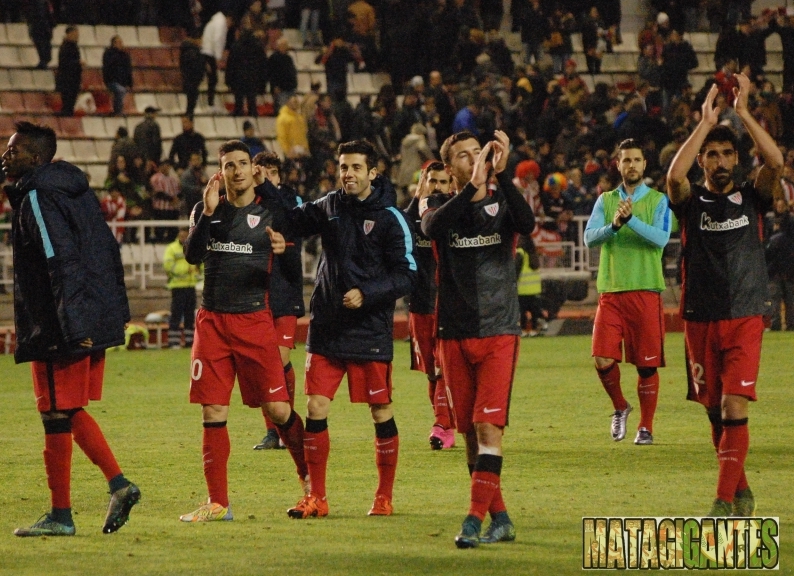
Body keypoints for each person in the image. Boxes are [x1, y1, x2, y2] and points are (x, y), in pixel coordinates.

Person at [255, 140, 416, 519]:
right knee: (315, 406)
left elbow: (407, 274)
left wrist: (368, 293)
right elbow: (292, 217)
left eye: (356, 167)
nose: (348, 173)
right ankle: (318, 497)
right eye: (343, 166)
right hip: (327, 327)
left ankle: (384, 497)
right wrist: (263, 187)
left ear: (372, 173)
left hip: (369, 331)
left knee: (380, 411)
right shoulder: (330, 206)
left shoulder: (391, 217)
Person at [2, 121, 140, 537]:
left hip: (59, 321)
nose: (6, 157)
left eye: (14, 151)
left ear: (37, 158)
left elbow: (58, 259)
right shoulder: (73, 190)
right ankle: (109, 489)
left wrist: (71, 323)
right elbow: (106, 250)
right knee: (62, 410)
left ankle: (68, 511)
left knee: (57, 410)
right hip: (82, 314)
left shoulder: (38, 196)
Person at [666, 74, 784, 516]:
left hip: (746, 313)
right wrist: (706, 121)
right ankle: (742, 490)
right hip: (699, 316)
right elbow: (672, 175)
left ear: (736, 158)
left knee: (735, 402)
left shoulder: (753, 195)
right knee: (715, 411)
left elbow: (776, 163)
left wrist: (745, 113)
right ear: (702, 161)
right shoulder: (689, 199)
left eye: (725, 152)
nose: (718, 160)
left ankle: (720, 499)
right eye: (710, 154)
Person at [180, 140, 309, 522]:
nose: (236, 171)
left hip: (255, 320)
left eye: (242, 163)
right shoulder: (207, 210)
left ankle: (310, 484)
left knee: (278, 408)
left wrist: (285, 251)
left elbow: (291, 267)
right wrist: (206, 212)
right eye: (228, 165)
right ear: (220, 171)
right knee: (213, 409)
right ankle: (218, 503)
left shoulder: (272, 211)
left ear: (253, 170)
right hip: (213, 322)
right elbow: (192, 255)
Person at [420, 130, 534, 548]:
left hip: (498, 330)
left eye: (479, 154)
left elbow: (528, 223)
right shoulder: (437, 205)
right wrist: (469, 189)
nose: (475, 160)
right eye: (465, 157)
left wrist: (502, 177)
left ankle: (472, 520)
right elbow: (432, 228)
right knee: (469, 431)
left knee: (488, 428)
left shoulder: (504, 202)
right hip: (453, 333)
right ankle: (500, 518)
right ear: (450, 169)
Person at [583, 139, 673, 446]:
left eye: (636, 160)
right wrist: (615, 225)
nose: (631, 165)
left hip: (646, 290)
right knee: (601, 357)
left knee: (646, 365)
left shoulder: (659, 200)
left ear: (644, 165)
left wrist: (631, 220)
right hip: (611, 292)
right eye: (626, 160)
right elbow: (589, 238)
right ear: (618, 165)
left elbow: (661, 240)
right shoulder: (606, 200)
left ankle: (645, 426)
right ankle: (620, 406)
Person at [252, 151, 306, 451]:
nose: (268, 177)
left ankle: (287, 424)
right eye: (263, 171)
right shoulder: (251, 200)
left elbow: (291, 223)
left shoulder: (290, 200)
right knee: (264, 363)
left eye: (272, 172)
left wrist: (267, 188)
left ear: (279, 176)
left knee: (278, 359)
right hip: (257, 293)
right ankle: (273, 431)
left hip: (285, 289)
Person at [404, 161, 455, 450]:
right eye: (431, 181)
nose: (437, 187)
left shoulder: (452, 215)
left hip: (447, 304)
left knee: (441, 368)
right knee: (431, 372)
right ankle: (446, 421)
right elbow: (402, 232)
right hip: (420, 304)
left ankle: (442, 425)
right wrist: (418, 198)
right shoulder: (411, 217)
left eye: (442, 182)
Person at [163, 228, 200, 349]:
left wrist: (198, 272)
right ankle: (173, 342)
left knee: (190, 315)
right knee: (176, 314)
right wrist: (185, 270)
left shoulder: (193, 247)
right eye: (182, 235)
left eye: (185, 235)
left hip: (190, 285)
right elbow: (168, 265)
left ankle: (190, 342)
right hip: (178, 286)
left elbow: (200, 263)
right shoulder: (172, 248)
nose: (183, 238)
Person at [201, 11, 234, 113]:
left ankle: (210, 103)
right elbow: (218, 40)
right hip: (210, 54)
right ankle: (210, 104)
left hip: (206, 52)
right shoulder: (221, 24)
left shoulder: (212, 22)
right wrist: (218, 57)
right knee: (212, 80)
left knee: (212, 80)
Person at [149, 158, 180, 242]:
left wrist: (176, 199)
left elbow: (177, 192)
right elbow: (158, 193)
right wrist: (172, 199)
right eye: (165, 165)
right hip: (160, 208)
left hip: (172, 209)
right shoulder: (156, 178)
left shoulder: (172, 179)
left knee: (172, 231)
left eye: (168, 166)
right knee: (160, 230)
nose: (167, 168)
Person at [102, 36, 133, 116]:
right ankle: (118, 111)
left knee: (121, 91)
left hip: (122, 81)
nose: (121, 44)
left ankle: (118, 110)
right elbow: (108, 67)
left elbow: (128, 69)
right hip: (112, 81)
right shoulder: (108, 54)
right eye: (118, 42)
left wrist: (130, 83)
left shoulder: (125, 55)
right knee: (120, 91)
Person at [55, 26, 82, 117]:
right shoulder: (66, 47)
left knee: (71, 104)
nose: (77, 36)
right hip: (67, 79)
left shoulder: (73, 46)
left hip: (73, 79)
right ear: (69, 34)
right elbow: (65, 63)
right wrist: (77, 63)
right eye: (75, 34)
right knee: (67, 103)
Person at [179, 32, 204, 118]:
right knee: (191, 100)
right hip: (192, 79)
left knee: (191, 101)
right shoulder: (193, 52)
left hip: (188, 79)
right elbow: (196, 67)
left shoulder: (186, 50)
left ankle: (189, 114)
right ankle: (189, 116)